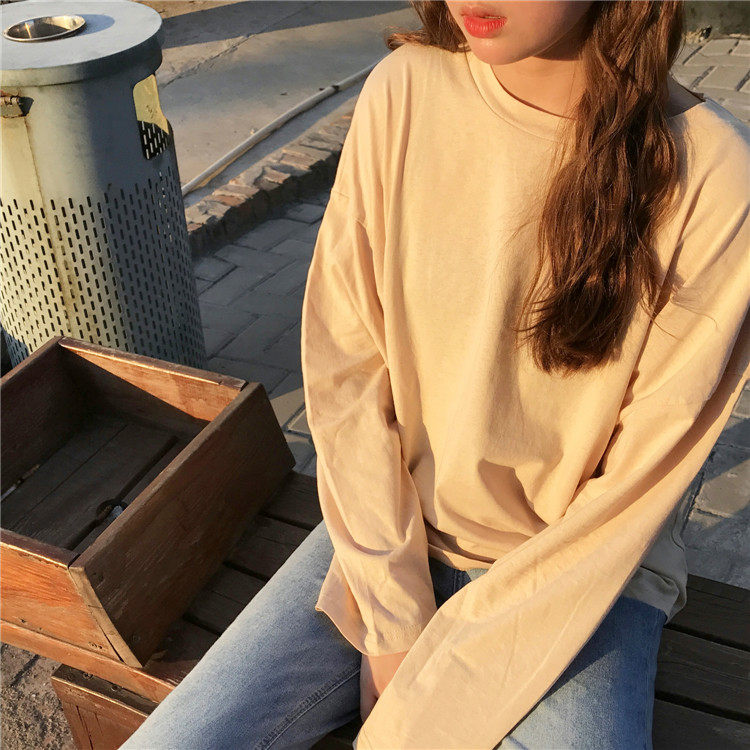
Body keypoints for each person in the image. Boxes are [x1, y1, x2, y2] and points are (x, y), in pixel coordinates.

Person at [121, 1, 749, 748]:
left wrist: (422, 710)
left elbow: (640, 487)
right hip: (393, 527)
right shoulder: (404, 92)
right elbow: (347, 368)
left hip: (582, 577)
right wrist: (393, 620)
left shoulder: (713, 174)